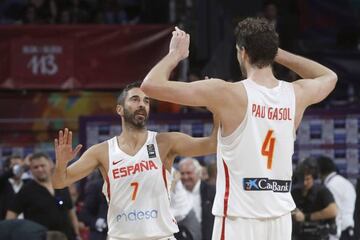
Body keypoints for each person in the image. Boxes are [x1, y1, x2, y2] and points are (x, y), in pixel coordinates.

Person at [140, 17, 337, 240]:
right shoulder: (296, 94)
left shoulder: (227, 92)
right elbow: (330, 77)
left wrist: (175, 54)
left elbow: (150, 85)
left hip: (239, 217)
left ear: (243, 53)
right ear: (271, 52)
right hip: (280, 219)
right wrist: (277, 53)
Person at [52, 81, 218, 240]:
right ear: (120, 110)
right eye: (135, 99)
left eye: (146, 101)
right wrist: (61, 164)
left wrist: (218, 107)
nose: (142, 104)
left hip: (160, 236)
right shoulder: (102, 151)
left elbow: (212, 144)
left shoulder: (165, 142)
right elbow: (60, 182)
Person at [6, 152, 80, 240]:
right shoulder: (26, 190)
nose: (40, 169)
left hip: (67, 236)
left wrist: (77, 234)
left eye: (42, 165)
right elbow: (11, 214)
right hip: (39, 237)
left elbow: (71, 212)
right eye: (35, 167)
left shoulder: (62, 185)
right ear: (31, 170)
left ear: (50, 165)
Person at [291, 165, 337, 240]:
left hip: (319, 235)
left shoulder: (321, 190)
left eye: (307, 179)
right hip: (298, 235)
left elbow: (333, 211)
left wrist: (306, 217)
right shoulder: (295, 192)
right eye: (302, 179)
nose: (305, 183)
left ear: (313, 177)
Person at [317, 156, 357, 240]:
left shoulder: (332, 185)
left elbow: (336, 213)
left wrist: (333, 237)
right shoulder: (344, 182)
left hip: (341, 233)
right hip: (349, 231)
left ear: (320, 171)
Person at [179, 158, 216, 240]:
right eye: (182, 173)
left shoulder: (212, 192)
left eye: (189, 173)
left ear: (197, 173)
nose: (185, 177)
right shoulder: (176, 194)